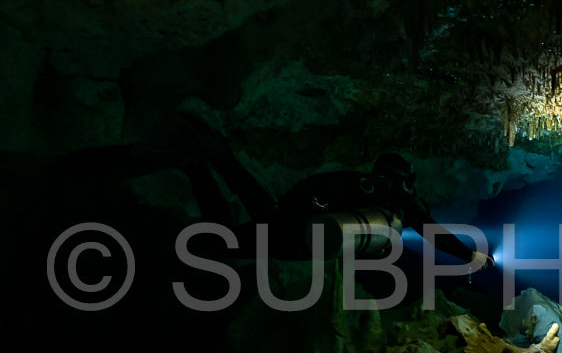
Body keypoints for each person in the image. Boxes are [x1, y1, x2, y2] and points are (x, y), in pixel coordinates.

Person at [53, 111, 494, 293]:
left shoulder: (361, 184)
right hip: (303, 238)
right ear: (403, 181)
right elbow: (437, 236)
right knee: (225, 244)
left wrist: (306, 209)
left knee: (240, 231)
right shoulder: (399, 203)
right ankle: (203, 162)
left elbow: (312, 188)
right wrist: (474, 257)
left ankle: (208, 161)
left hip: (299, 218)